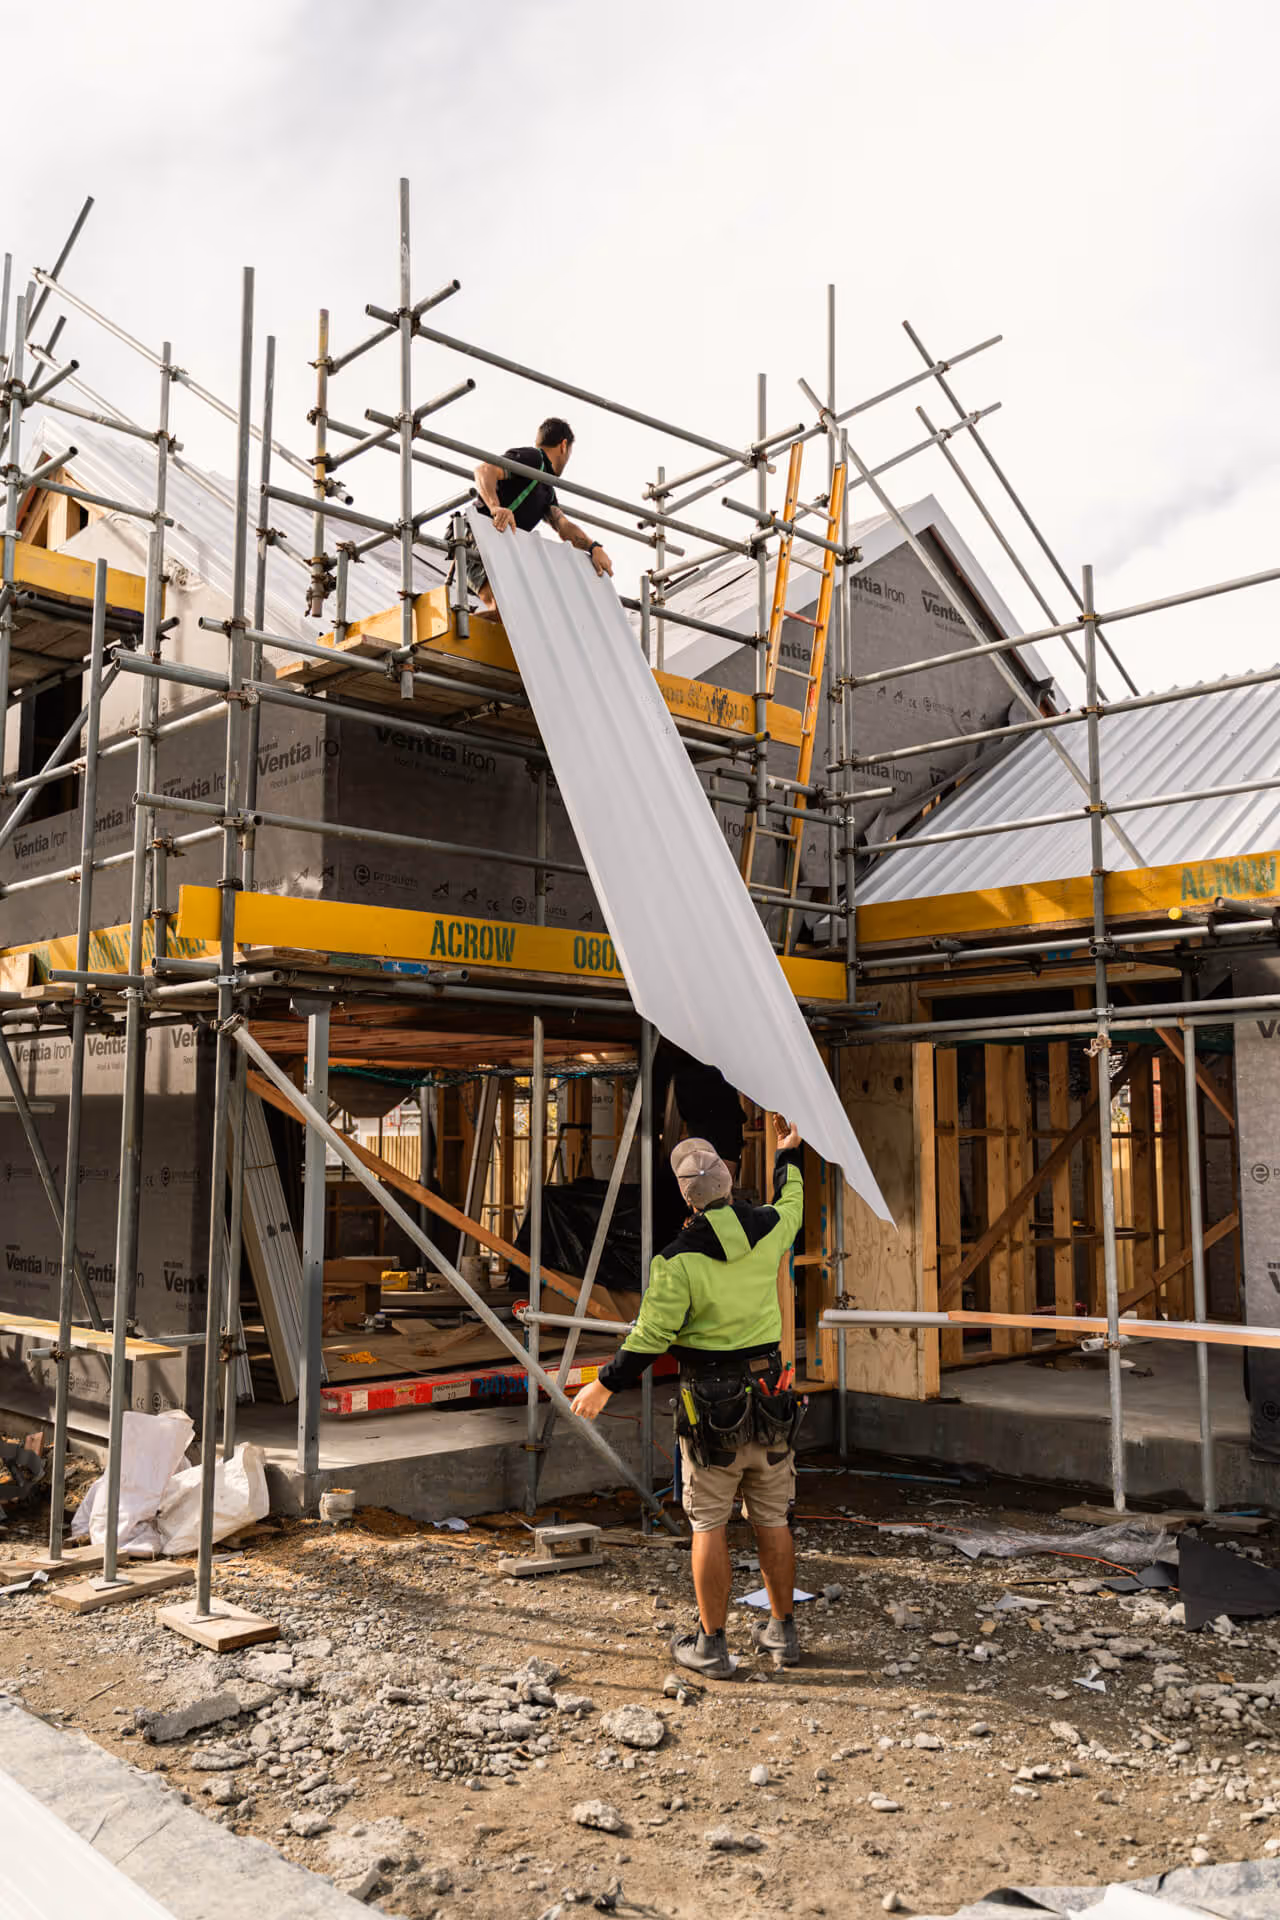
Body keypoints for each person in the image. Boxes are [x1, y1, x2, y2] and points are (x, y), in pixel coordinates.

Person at [573, 1115, 806, 1678]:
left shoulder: (676, 1261)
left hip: (713, 1405)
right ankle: (783, 1633)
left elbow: (650, 1336)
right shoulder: (772, 1226)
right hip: (770, 1397)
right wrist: (788, 1153)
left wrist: (604, 1384)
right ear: (728, 1180)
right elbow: (793, 1199)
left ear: (687, 1196)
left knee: (710, 1524)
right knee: (773, 1518)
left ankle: (712, 1644)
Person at [467, 417, 614, 610]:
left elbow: (563, 526)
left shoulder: (547, 490)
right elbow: (484, 470)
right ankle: (454, 632)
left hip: (494, 543)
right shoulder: (535, 459)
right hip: (476, 536)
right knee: (504, 609)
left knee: (514, 613)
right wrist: (496, 508)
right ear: (563, 445)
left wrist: (594, 547)